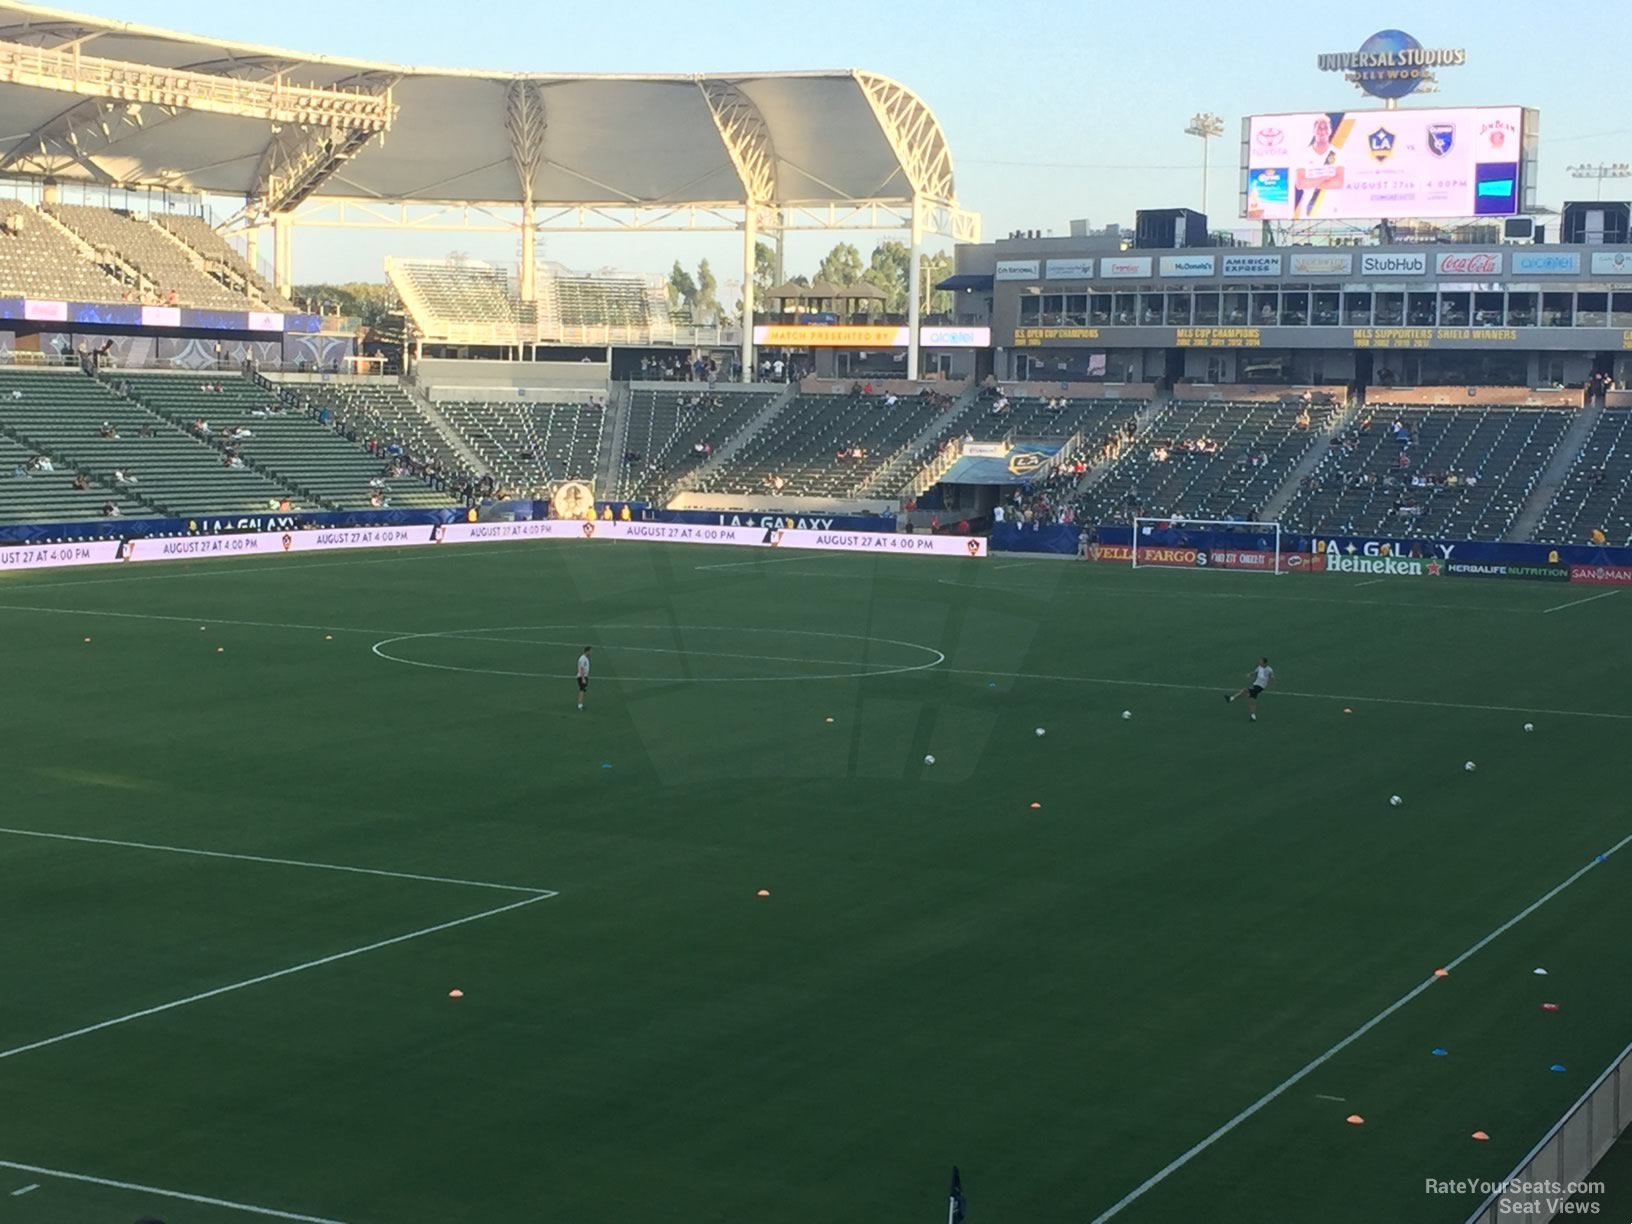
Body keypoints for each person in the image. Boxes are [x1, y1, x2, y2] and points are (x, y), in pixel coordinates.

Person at [1225, 657, 1274, 722]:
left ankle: (1231, 698)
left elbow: (1271, 678)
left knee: (1245, 690)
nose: (1259, 662)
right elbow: (1255, 672)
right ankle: (1253, 717)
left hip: (1260, 687)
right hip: (1256, 684)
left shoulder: (1269, 670)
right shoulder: (1259, 667)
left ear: (1265, 663)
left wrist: (1271, 684)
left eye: (1261, 662)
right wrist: (1250, 674)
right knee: (1252, 701)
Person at [576, 646, 592, 711]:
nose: (591, 653)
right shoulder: (583, 659)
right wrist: (583, 678)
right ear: (587, 651)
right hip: (582, 676)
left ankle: (581, 704)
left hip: (584, 676)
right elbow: (582, 669)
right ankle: (580, 705)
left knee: (583, 690)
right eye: (590, 651)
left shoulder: (585, 658)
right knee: (582, 690)